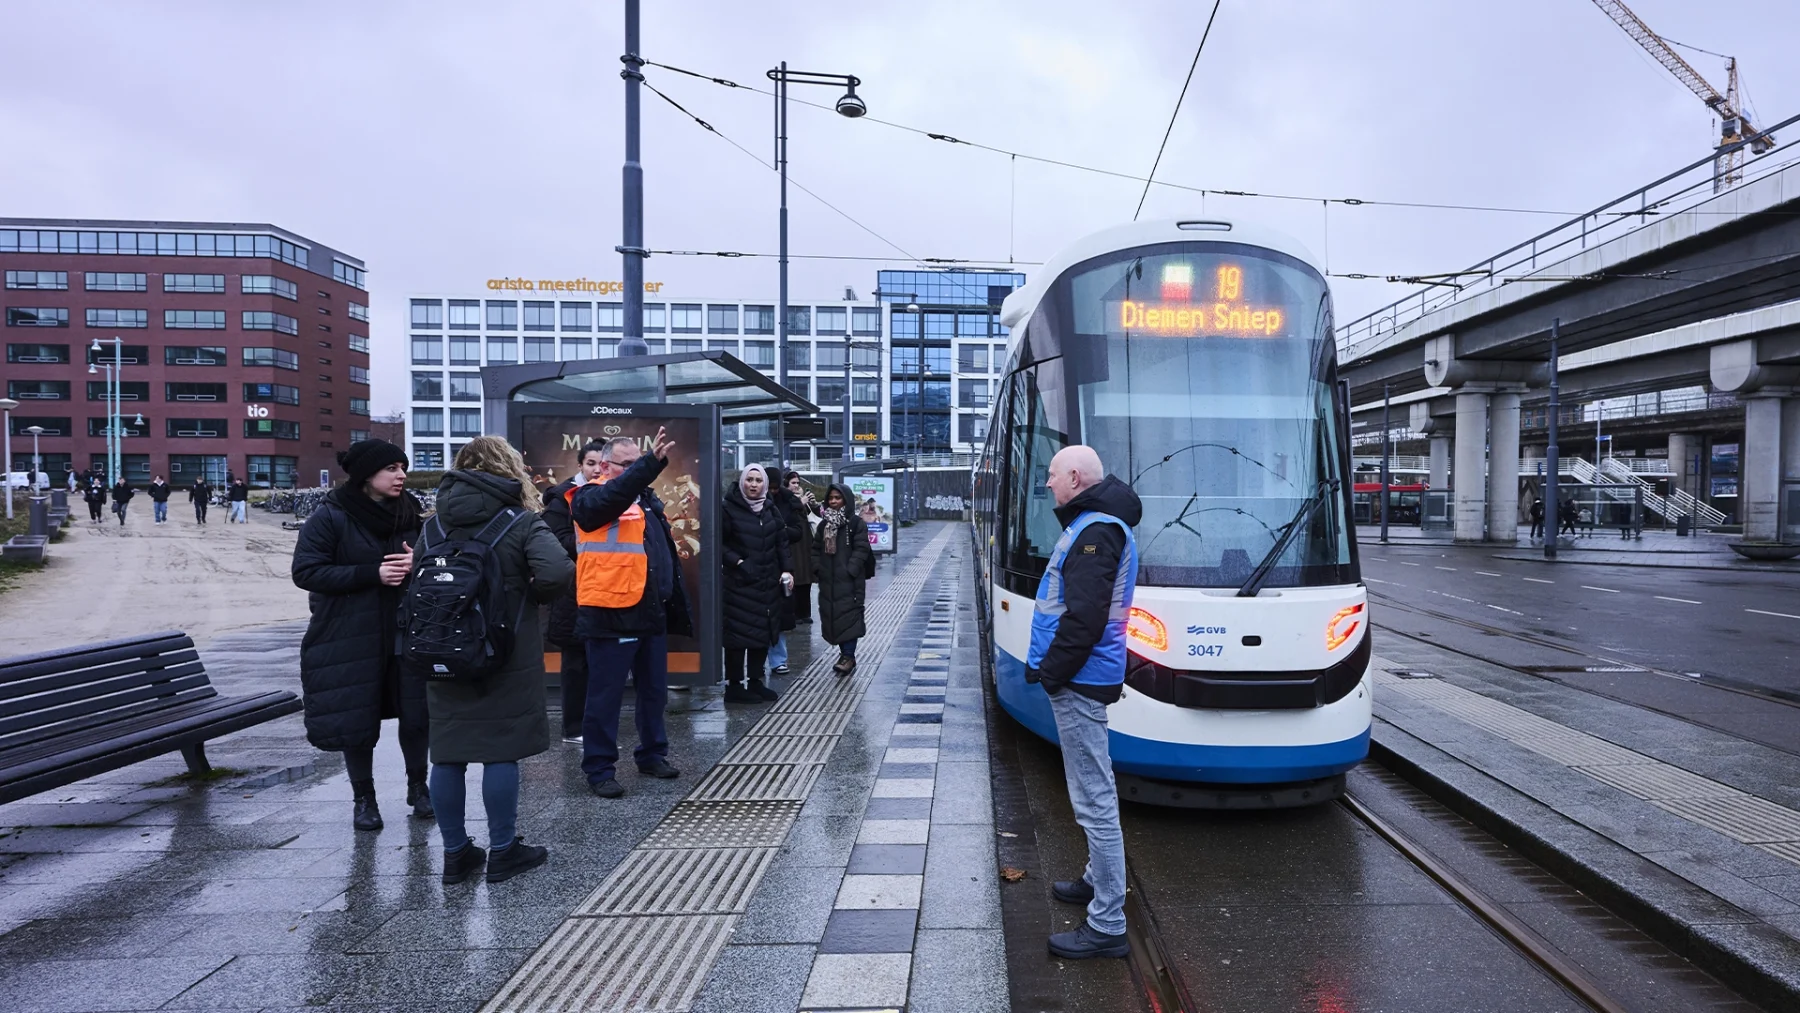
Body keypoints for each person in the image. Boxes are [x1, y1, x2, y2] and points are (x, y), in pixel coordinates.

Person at [420, 436, 572, 885]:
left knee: (447, 755)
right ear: (508, 469)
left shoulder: (431, 525)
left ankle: (455, 853)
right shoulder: (520, 522)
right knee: (500, 751)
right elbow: (558, 572)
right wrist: (527, 593)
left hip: (442, 650)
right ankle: (504, 850)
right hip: (504, 651)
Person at [1026, 445, 1141, 960]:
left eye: (1052, 476)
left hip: (1081, 679)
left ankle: (1107, 923)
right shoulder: (1096, 525)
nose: (1048, 485)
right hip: (1085, 676)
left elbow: (1084, 618)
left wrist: (1051, 673)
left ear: (1074, 476)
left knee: (1093, 798)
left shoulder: (1095, 532)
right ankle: (1097, 881)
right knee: (1097, 786)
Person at [290, 439, 431, 831]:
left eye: (402, 467)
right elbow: (306, 572)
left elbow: (436, 563)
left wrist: (418, 560)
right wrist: (372, 573)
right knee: (357, 720)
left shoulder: (412, 514)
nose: (402, 475)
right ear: (367, 475)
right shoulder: (331, 516)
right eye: (392, 468)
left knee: (418, 715)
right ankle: (363, 798)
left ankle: (419, 787)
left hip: (407, 630)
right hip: (352, 634)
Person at [571, 429, 693, 799]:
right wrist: (648, 465)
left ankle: (652, 754)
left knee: (653, 691)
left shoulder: (646, 501)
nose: (636, 469)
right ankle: (599, 769)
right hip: (610, 611)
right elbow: (609, 500)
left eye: (637, 462)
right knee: (605, 697)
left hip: (648, 610)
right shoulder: (590, 496)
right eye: (628, 463)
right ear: (605, 466)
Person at [541, 440, 608, 743]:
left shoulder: (614, 494)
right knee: (576, 663)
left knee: (602, 662)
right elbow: (556, 540)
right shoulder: (561, 498)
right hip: (573, 589)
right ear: (580, 465)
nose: (596, 469)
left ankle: (595, 726)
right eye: (590, 463)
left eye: (601, 463)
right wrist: (597, 546)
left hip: (608, 588)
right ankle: (574, 728)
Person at [720, 463, 790, 704]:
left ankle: (756, 681)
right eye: (749, 480)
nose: (753, 484)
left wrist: (787, 571)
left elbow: (782, 542)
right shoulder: (728, 508)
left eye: (758, 480)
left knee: (763, 632)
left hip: (767, 582)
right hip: (739, 583)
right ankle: (735, 685)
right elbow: (718, 543)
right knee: (738, 635)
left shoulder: (769, 508)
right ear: (742, 482)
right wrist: (738, 562)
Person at [813, 483, 874, 676]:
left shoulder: (856, 523)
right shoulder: (824, 524)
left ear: (845, 500)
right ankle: (844, 655)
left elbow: (862, 548)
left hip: (850, 580)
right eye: (830, 498)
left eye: (837, 498)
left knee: (849, 616)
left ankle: (848, 656)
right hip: (828, 581)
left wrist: (851, 570)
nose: (833, 501)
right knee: (833, 616)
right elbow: (815, 549)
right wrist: (818, 568)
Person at [765, 471, 813, 677]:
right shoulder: (741, 503)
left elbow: (796, 530)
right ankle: (755, 668)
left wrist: (778, 529)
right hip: (751, 567)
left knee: (779, 614)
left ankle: (778, 660)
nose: (771, 492)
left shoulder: (787, 502)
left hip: (781, 564)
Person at [784, 472, 819, 626]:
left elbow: (816, 519)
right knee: (796, 580)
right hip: (793, 545)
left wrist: (814, 505)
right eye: (793, 483)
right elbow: (786, 516)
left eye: (798, 482)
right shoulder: (785, 500)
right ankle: (795, 613)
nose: (797, 486)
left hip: (806, 544)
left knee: (806, 580)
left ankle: (805, 613)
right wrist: (800, 503)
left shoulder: (803, 501)